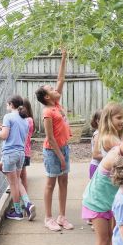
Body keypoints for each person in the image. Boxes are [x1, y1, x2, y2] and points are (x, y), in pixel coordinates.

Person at [35, 47, 74, 232]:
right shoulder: (47, 112)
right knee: (51, 183)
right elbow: (50, 138)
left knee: (64, 182)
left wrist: (64, 57)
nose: (54, 87)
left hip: (63, 148)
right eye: (50, 89)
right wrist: (60, 157)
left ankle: (62, 217)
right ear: (46, 97)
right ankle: (48, 218)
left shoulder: (56, 104)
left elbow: (61, 79)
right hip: (53, 151)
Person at [0, 95, 36, 221]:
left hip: (9, 153)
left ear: (11, 104)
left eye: (7, 104)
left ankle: (18, 212)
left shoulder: (8, 117)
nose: (6, 106)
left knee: (14, 183)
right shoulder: (25, 119)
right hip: (21, 154)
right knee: (17, 181)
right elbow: (15, 133)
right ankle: (28, 204)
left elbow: (4, 135)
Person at [90, 109, 103, 179]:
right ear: (98, 121)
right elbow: (95, 155)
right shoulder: (97, 135)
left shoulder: (103, 134)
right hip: (96, 167)